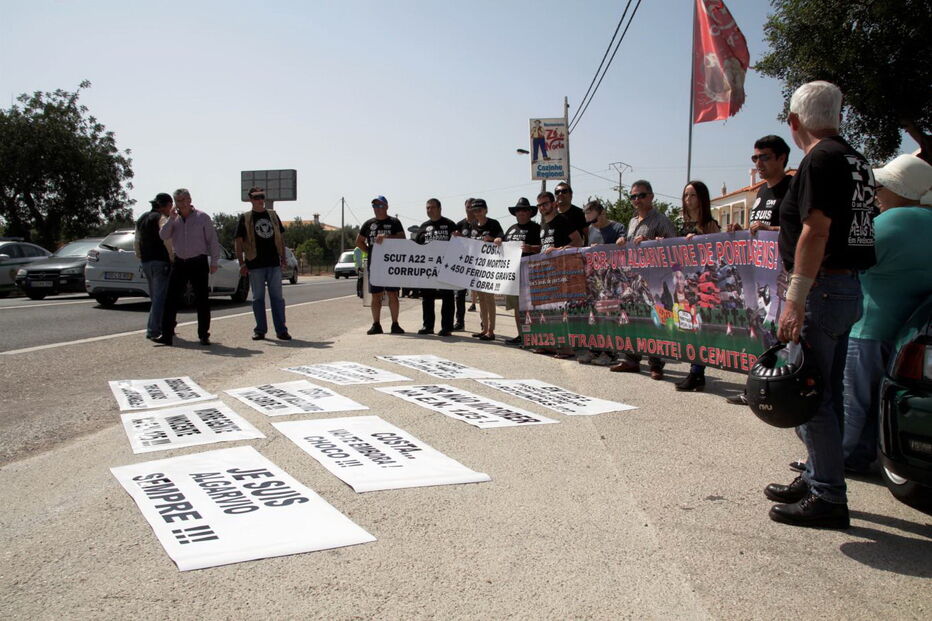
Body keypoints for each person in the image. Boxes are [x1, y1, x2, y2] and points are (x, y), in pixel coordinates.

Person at [765, 81, 876, 530]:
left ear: (794, 121)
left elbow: (816, 230)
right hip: (843, 287)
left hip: (822, 288)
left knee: (809, 394)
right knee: (827, 391)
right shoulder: (855, 159)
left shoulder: (819, 159)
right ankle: (817, 476)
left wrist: (795, 299)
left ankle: (828, 495)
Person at [842, 154, 932, 474]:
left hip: (868, 327)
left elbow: (844, 257)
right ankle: (862, 455)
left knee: (852, 401)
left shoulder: (891, 221)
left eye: (882, 187)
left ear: (901, 188)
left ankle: (835, 460)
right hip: (907, 331)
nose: (877, 193)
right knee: (879, 402)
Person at [725, 135, 792, 405]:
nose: (758, 163)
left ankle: (781, 393)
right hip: (761, 279)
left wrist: (770, 229)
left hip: (784, 280)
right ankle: (757, 389)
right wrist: (741, 231)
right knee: (761, 336)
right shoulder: (762, 192)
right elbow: (756, 232)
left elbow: (800, 230)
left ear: (782, 158)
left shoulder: (793, 188)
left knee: (783, 340)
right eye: (755, 158)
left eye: (764, 157)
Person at [611, 180, 677, 378]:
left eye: (641, 195)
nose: (636, 199)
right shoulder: (632, 221)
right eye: (633, 196)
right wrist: (623, 241)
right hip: (635, 280)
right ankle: (631, 359)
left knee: (655, 321)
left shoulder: (661, 220)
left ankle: (656, 363)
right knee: (634, 319)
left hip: (656, 280)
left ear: (651, 197)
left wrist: (651, 243)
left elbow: (673, 247)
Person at [154, 188, 220, 346]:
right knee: (171, 298)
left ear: (190, 200)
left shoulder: (202, 217)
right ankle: (166, 335)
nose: (182, 204)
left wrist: (214, 262)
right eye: (179, 201)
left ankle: (203, 335)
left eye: (185, 200)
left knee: (202, 299)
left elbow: (212, 240)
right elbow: (163, 235)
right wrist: (171, 219)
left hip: (198, 261)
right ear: (175, 203)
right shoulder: (173, 219)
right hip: (179, 262)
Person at [674, 181, 720, 391]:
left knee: (700, 328)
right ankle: (694, 370)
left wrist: (701, 239)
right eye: (686, 195)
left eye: (693, 195)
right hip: (686, 284)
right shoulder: (681, 224)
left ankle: (697, 372)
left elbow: (716, 253)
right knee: (689, 328)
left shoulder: (710, 224)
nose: (688, 200)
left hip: (704, 285)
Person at [234, 186, 291, 341]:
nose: (260, 200)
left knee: (277, 298)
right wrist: (241, 263)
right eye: (256, 197)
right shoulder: (245, 218)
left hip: (273, 263)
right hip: (255, 263)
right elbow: (238, 242)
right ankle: (260, 330)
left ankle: (281, 330)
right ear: (250, 199)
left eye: (262, 197)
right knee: (258, 298)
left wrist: (283, 257)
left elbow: (281, 237)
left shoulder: (272, 215)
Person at [537, 190, 583, 358]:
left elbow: (578, 241)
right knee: (551, 311)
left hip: (563, 271)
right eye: (539, 205)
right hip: (547, 273)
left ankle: (567, 348)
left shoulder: (562, 220)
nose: (542, 207)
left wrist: (558, 249)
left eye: (545, 204)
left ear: (554, 204)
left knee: (564, 311)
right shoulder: (543, 225)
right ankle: (551, 344)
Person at [356, 195, 406, 335]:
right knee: (376, 295)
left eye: (380, 205)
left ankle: (395, 324)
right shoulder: (368, 224)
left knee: (392, 294)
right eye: (374, 206)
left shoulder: (394, 222)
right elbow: (359, 241)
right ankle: (376, 324)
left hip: (391, 264)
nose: (377, 208)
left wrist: (387, 237)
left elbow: (402, 238)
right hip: (375, 265)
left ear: (386, 207)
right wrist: (370, 252)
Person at [496, 197, 541, 345]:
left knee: (529, 306)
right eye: (518, 210)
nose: (521, 212)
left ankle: (533, 336)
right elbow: (502, 245)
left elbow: (544, 247)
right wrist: (498, 240)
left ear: (530, 212)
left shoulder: (536, 228)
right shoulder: (511, 229)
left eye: (524, 210)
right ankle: (521, 335)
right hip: (512, 273)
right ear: (515, 213)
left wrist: (531, 248)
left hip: (530, 272)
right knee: (517, 306)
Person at [461, 198, 503, 341]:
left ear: (485, 210)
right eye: (474, 210)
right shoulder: (472, 225)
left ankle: (491, 330)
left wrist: (495, 239)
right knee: (481, 299)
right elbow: (466, 241)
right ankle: (484, 328)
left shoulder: (493, 223)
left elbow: (502, 237)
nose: (477, 213)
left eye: (479, 210)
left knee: (489, 298)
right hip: (476, 267)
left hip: (490, 267)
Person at [416, 198, 457, 337]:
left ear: (440, 208)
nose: (430, 210)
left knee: (447, 297)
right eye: (427, 208)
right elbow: (416, 247)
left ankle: (447, 327)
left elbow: (459, 244)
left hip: (446, 268)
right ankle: (427, 326)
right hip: (428, 269)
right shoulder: (423, 226)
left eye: (432, 207)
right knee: (427, 298)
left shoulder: (450, 224)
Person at [135, 193, 173, 341]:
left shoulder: (141, 219)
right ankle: (153, 329)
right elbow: (166, 239)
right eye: (170, 205)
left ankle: (162, 325)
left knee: (154, 297)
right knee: (160, 298)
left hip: (146, 261)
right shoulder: (161, 218)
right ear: (166, 205)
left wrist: (140, 256)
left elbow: (136, 241)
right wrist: (172, 257)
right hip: (160, 261)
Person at [454, 198, 475, 329]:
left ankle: (485, 325)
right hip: (463, 265)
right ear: (465, 207)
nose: (470, 209)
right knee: (459, 295)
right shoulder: (459, 225)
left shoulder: (481, 224)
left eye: (473, 207)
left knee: (483, 297)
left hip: (479, 265)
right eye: (468, 206)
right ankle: (459, 322)